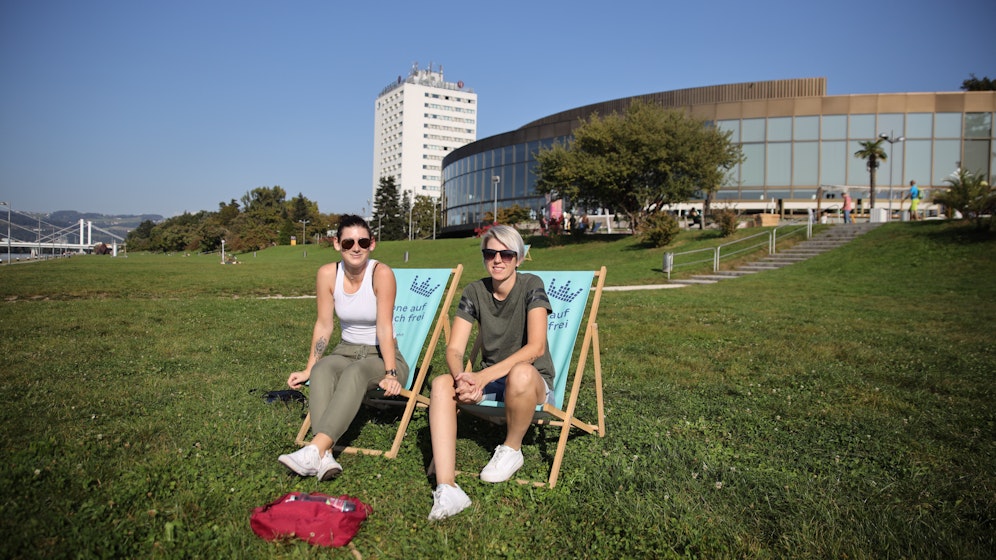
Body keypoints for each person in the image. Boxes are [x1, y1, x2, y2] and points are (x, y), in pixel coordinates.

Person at [426, 225, 555, 520]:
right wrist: (462, 377)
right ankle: (447, 488)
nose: (498, 260)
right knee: (442, 384)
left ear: (518, 258)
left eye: (506, 254)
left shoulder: (531, 284)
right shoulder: (474, 290)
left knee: (520, 373)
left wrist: (481, 378)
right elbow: (455, 350)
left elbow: (535, 347)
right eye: (490, 253)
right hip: (493, 380)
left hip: (530, 382)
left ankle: (512, 448)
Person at [277, 214, 409, 481]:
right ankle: (324, 457)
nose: (356, 248)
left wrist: (391, 373)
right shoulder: (327, 274)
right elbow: (324, 325)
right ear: (337, 244)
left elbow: (384, 327)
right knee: (323, 371)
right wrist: (309, 368)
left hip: (382, 356)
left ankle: (314, 449)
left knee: (354, 373)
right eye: (348, 242)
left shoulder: (381, 274)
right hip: (345, 349)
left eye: (362, 241)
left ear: (372, 244)